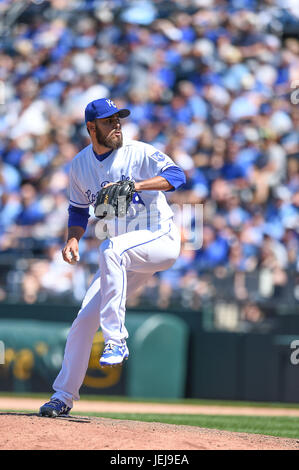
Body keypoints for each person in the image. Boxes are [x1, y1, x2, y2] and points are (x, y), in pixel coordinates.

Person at [39, 98, 186, 417]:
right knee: (83, 320)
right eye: (108, 121)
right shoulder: (80, 165)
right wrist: (72, 239)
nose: (117, 124)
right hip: (123, 254)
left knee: (111, 249)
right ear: (91, 128)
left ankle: (116, 340)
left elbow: (177, 176)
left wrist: (138, 184)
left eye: (118, 118)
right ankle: (62, 396)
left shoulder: (138, 151)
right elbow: (78, 209)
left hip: (160, 238)